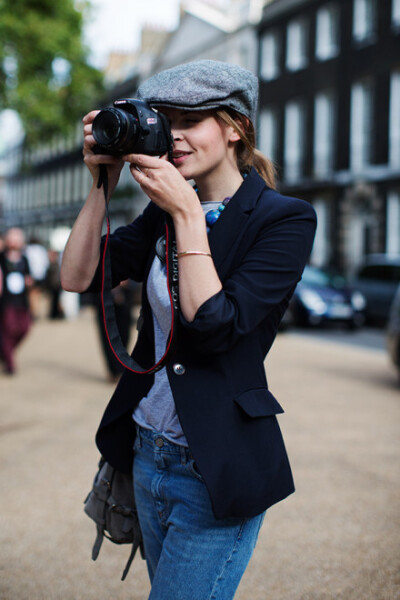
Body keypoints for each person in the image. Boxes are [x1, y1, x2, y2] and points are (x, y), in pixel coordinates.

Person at [61, 60, 317, 599]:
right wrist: (102, 184)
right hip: (145, 455)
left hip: (213, 469)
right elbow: (77, 275)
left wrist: (186, 216)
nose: (172, 134)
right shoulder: (165, 208)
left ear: (235, 127)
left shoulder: (283, 219)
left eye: (190, 119)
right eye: (163, 118)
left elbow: (216, 328)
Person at [0, 228, 33, 374]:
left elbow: (29, 275)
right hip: (6, 300)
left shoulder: (24, 258)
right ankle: (10, 364)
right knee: (8, 330)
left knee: (25, 328)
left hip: (21, 299)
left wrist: (29, 281)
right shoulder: (1, 257)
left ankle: (5, 352)